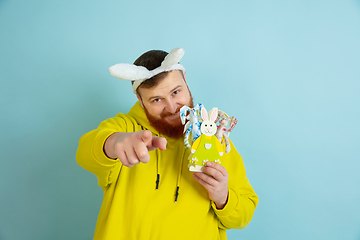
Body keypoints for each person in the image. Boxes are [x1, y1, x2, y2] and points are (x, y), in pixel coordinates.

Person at [76, 48, 258, 240]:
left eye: (176, 92)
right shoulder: (124, 127)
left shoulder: (215, 140)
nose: (172, 108)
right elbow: (85, 152)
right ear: (140, 99)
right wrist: (114, 143)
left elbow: (244, 215)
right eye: (156, 99)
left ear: (185, 80)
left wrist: (223, 197)